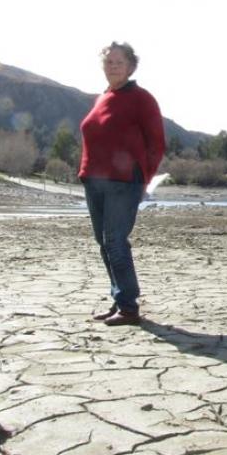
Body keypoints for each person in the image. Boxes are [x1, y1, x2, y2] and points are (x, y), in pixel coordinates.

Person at [79, 42, 166, 326]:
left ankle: (129, 307)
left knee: (115, 241)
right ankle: (120, 299)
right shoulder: (103, 97)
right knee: (104, 243)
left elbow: (157, 144)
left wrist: (144, 178)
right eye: (108, 62)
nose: (112, 66)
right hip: (95, 180)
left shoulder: (141, 98)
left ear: (130, 66)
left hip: (124, 181)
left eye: (118, 62)